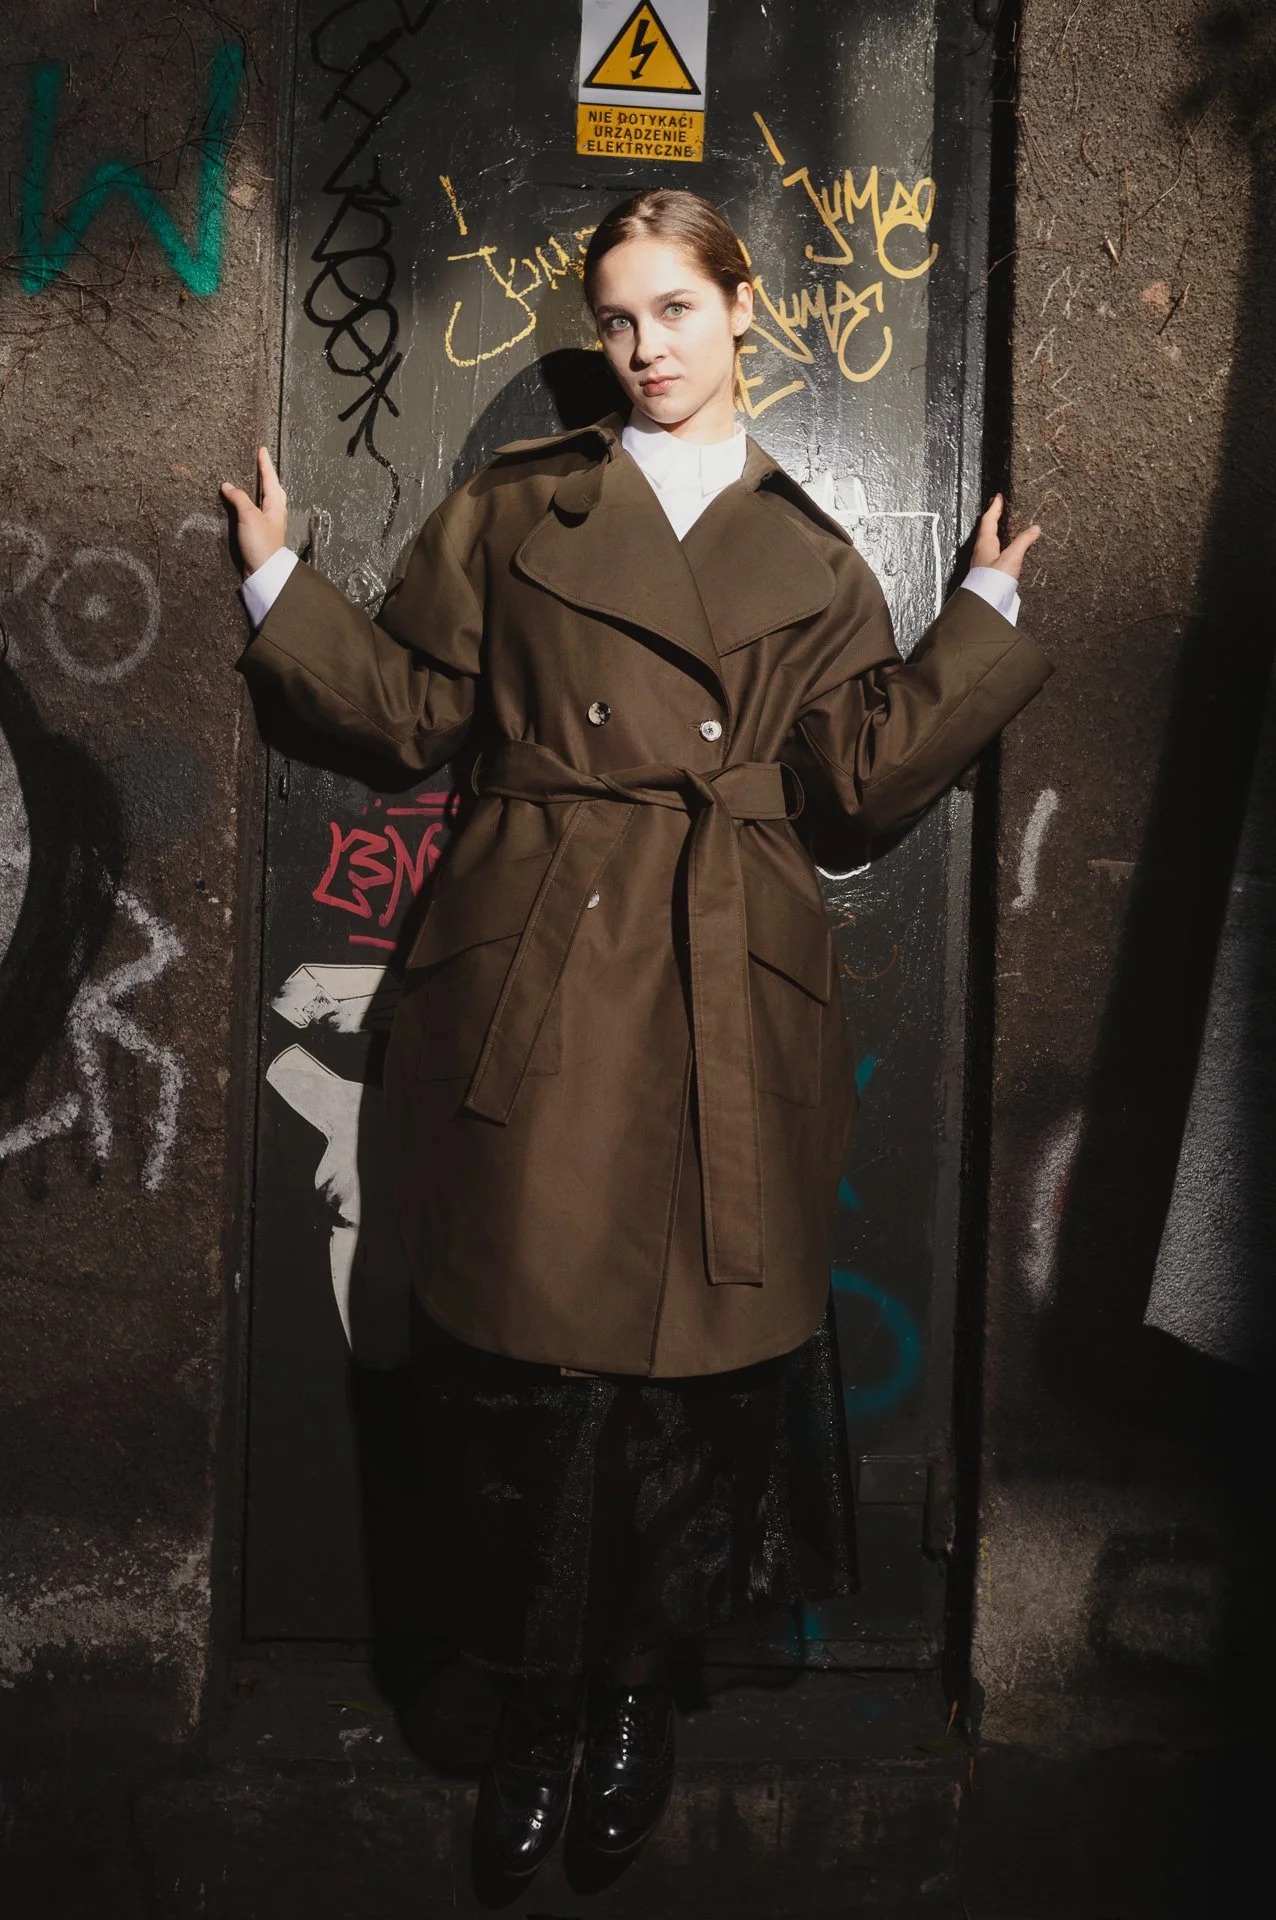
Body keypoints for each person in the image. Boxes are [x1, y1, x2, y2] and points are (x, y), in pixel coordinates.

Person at [221, 188, 1050, 1882]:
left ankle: (632, 1701)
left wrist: (981, 627)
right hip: (543, 965)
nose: (645, 347)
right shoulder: (519, 508)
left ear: (744, 312)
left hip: (728, 975)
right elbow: (412, 715)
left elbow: (855, 785)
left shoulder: (815, 553)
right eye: (617, 319)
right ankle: (533, 1707)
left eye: (675, 309)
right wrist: (279, 584)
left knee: (692, 1391)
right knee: (534, 1374)